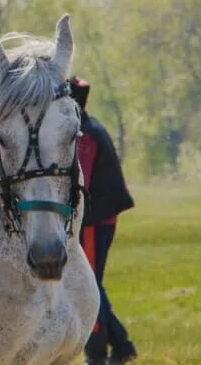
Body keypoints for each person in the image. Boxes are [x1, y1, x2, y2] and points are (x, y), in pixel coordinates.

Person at [69, 77, 138, 365]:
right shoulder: (88, 125)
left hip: (92, 221)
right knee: (91, 283)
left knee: (89, 287)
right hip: (96, 220)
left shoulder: (84, 134)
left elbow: (79, 185)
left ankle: (97, 353)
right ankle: (121, 345)